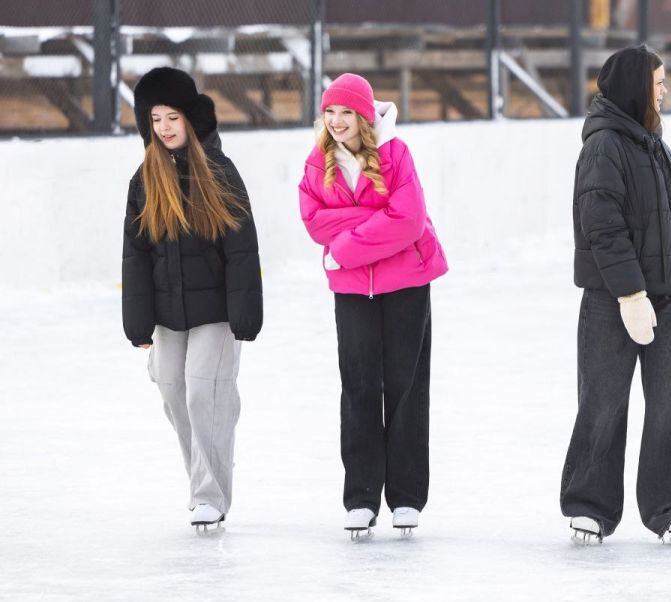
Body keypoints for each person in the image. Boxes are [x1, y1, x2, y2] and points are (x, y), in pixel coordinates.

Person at [298, 73, 448, 539]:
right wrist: (373, 221)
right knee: (359, 387)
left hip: (407, 283)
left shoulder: (396, 153)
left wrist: (347, 247)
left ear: (364, 114)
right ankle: (361, 497)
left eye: (346, 112)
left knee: (405, 387)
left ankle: (406, 498)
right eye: (330, 112)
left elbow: (409, 222)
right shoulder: (317, 161)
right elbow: (313, 220)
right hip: (352, 292)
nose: (337, 121)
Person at [561, 45, 671, 544]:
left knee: (669, 402)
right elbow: (601, 226)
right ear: (636, 87)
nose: (663, 91)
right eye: (657, 83)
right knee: (603, 401)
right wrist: (630, 294)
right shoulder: (604, 146)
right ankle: (591, 506)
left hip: (667, 296)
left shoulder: (651, 142)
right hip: (612, 300)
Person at [122, 67, 263, 531]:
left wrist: (245, 310)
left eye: (173, 117)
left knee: (204, 390)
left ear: (190, 119)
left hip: (217, 311)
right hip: (168, 312)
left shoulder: (218, 170)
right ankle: (205, 474)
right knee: (172, 391)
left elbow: (242, 246)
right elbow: (136, 255)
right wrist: (138, 321)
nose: (164, 127)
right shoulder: (144, 179)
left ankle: (209, 494)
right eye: (156, 118)